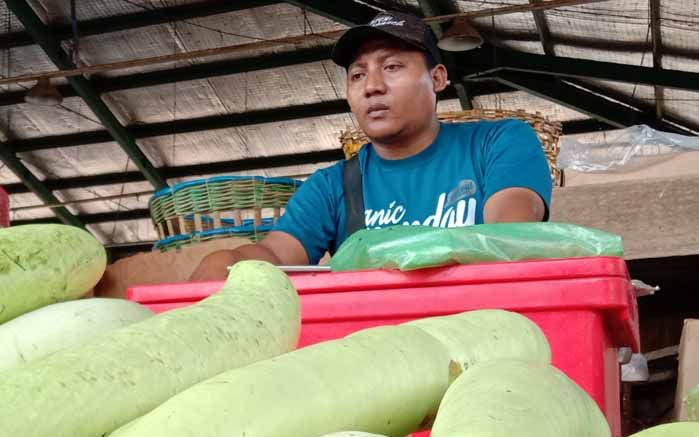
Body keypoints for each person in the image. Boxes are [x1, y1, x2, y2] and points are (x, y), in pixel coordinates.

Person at [188, 10, 552, 281]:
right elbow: (276, 253)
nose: (371, 86)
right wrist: (229, 263)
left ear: (437, 78)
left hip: (482, 336)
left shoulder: (498, 143)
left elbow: (511, 235)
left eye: (392, 67)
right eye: (358, 74)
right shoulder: (332, 186)